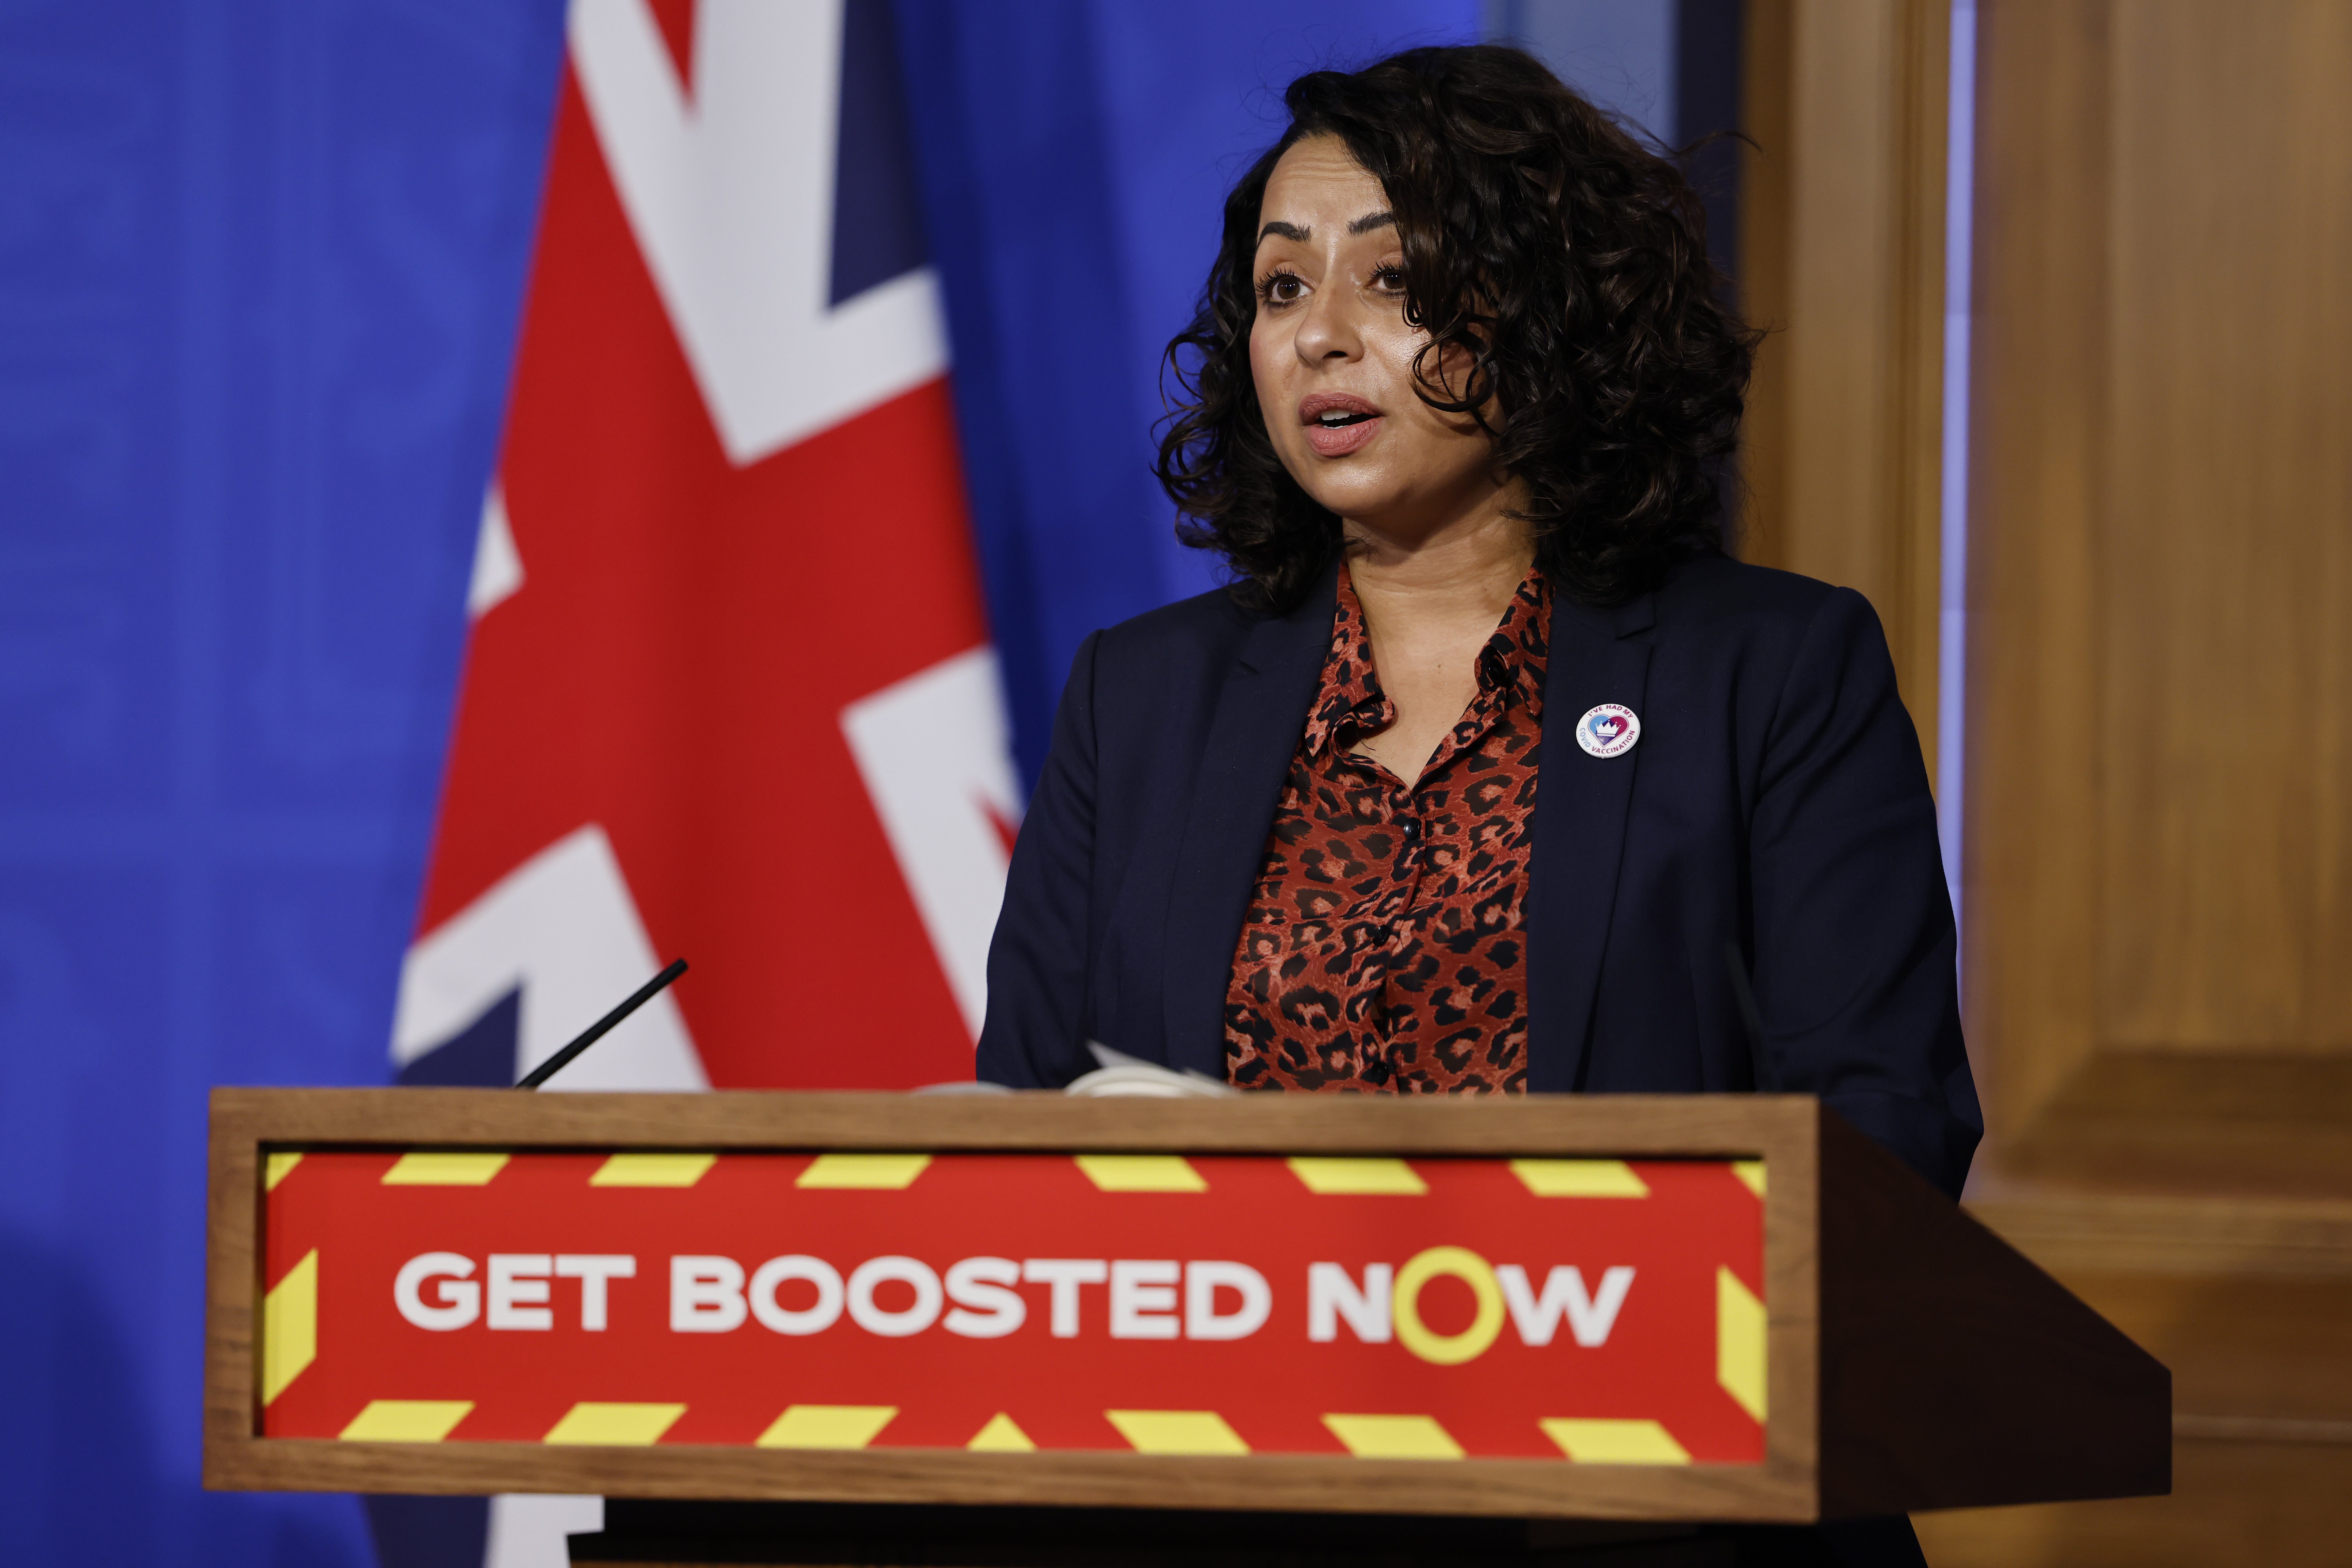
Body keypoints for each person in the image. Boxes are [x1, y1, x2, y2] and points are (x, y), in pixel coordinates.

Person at [978, 46, 1977, 1210]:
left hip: (1624, 1372)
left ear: (1546, 307)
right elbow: (1021, 1147)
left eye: (1395, 277)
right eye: (1282, 287)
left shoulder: (1769, 674)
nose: (1319, 337)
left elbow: (1884, 1128)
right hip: (1213, 1378)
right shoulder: (1137, 698)